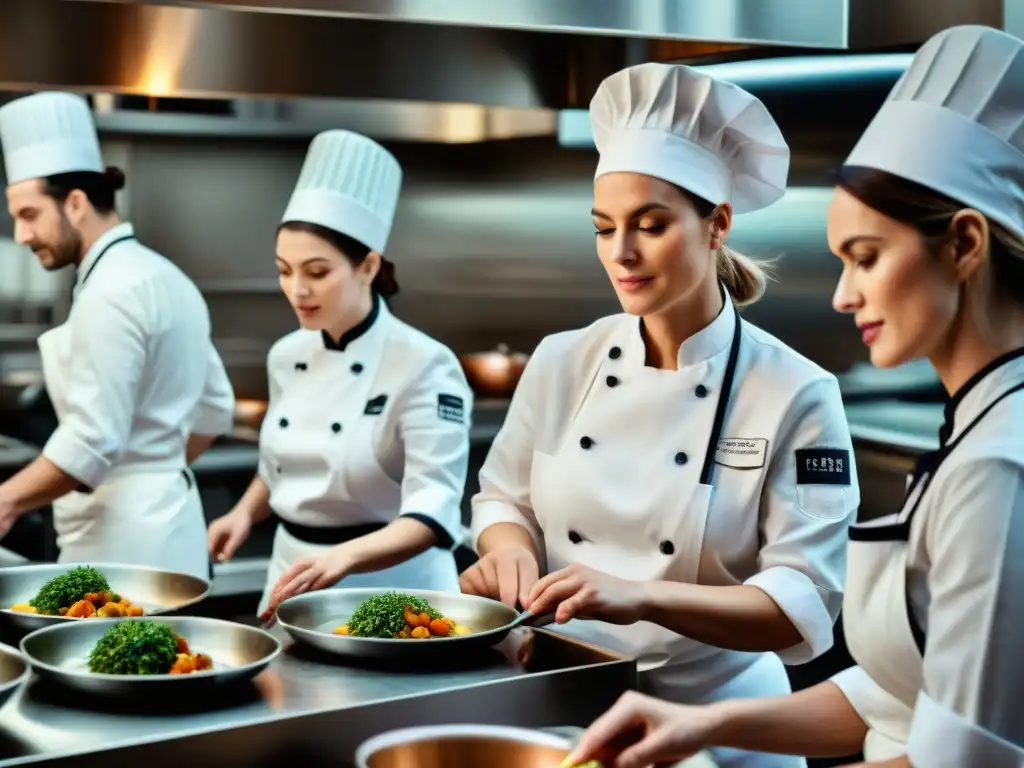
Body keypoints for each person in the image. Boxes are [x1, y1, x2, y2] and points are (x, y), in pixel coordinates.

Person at [563, 24, 1024, 768]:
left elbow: (962, 758)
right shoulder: (978, 429)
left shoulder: (997, 467)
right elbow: (898, 699)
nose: (843, 296)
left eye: (866, 258)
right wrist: (700, 728)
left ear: (966, 244)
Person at [461, 62, 860, 768]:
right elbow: (501, 499)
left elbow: (801, 601)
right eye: (604, 227)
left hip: (722, 723)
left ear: (718, 224)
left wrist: (642, 596)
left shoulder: (796, 390)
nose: (621, 253)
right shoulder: (561, 360)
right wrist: (510, 552)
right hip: (563, 701)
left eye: (650, 225)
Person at [205, 130, 473, 618]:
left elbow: (435, 507)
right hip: (293, 571)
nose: (296, 289)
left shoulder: (424, 364)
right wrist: (244, 513)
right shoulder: (286, 354)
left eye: (316, 271)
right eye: (284, 270)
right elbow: (284, 461)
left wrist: (344, 559)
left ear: (368, 266)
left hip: (394, 589)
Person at [0, 92, 234, 579]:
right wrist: (154, 469)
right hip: (173, 531)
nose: (21, 236)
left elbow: (91, 441)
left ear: (76, 203)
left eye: (28, 215)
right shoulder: (169, 277)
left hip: (121, 550)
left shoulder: (109, 292)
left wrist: (7, 499)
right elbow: (216, 409)